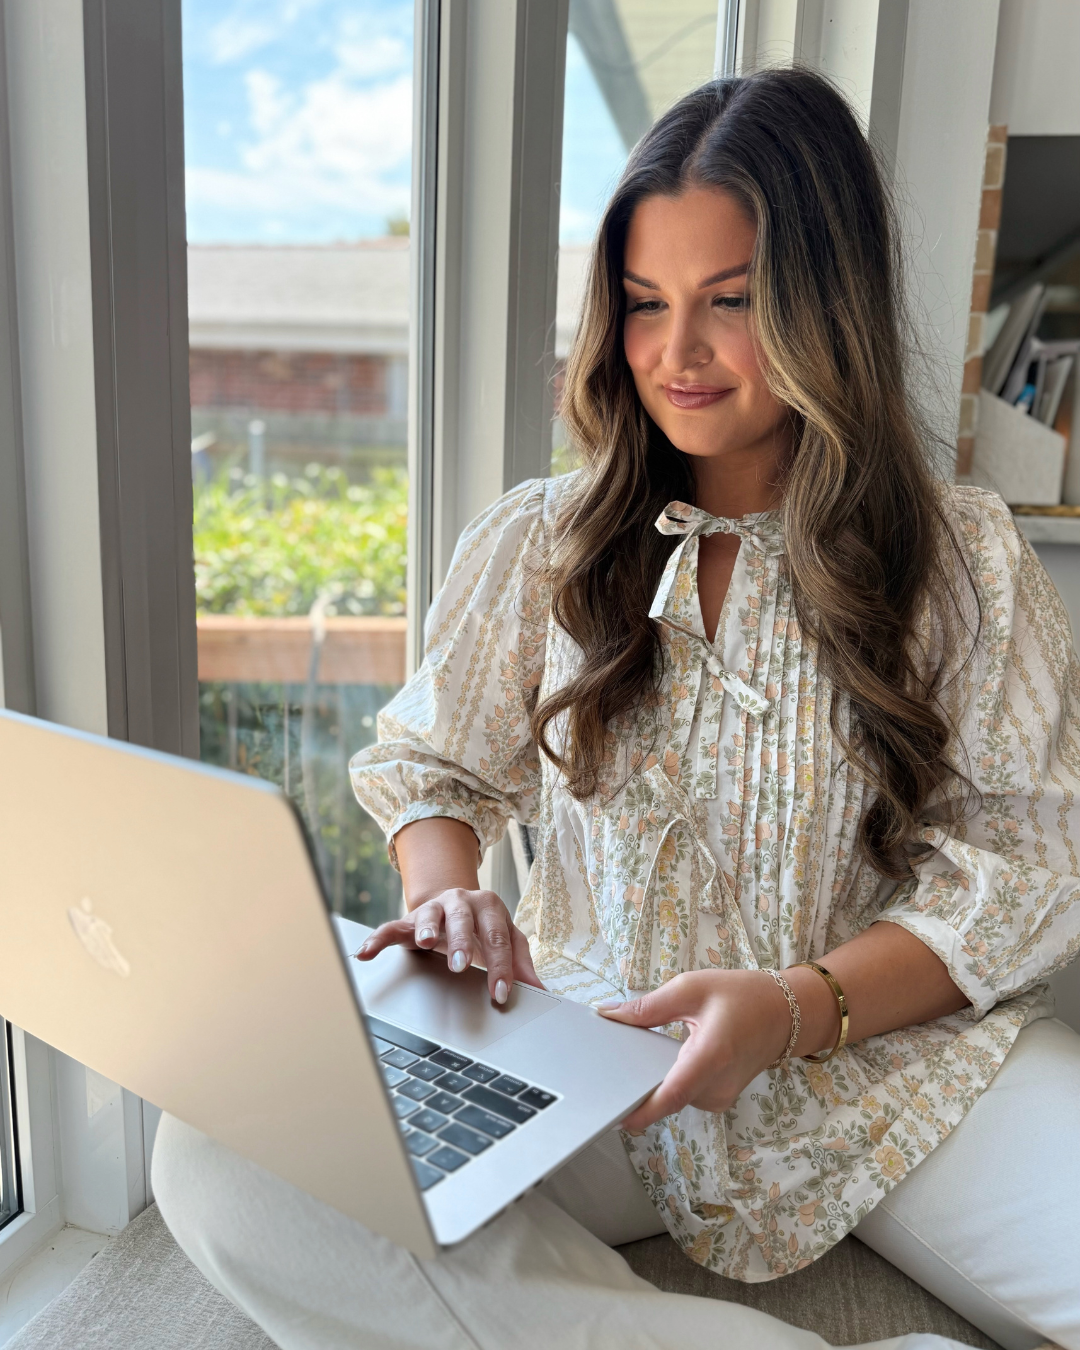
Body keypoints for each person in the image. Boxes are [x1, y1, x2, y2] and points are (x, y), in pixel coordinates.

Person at [153, 68, 1080, 1350]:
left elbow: (1021, 873)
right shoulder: (545, 542)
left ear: (830, 306)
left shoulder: (964, 559)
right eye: (643, 304)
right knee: (221, 1147)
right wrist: (446, 895)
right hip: (598, 1044)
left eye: (729, 304)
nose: (674, 354)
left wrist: (797, 1007)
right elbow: (435, 766)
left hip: (901, 1060)